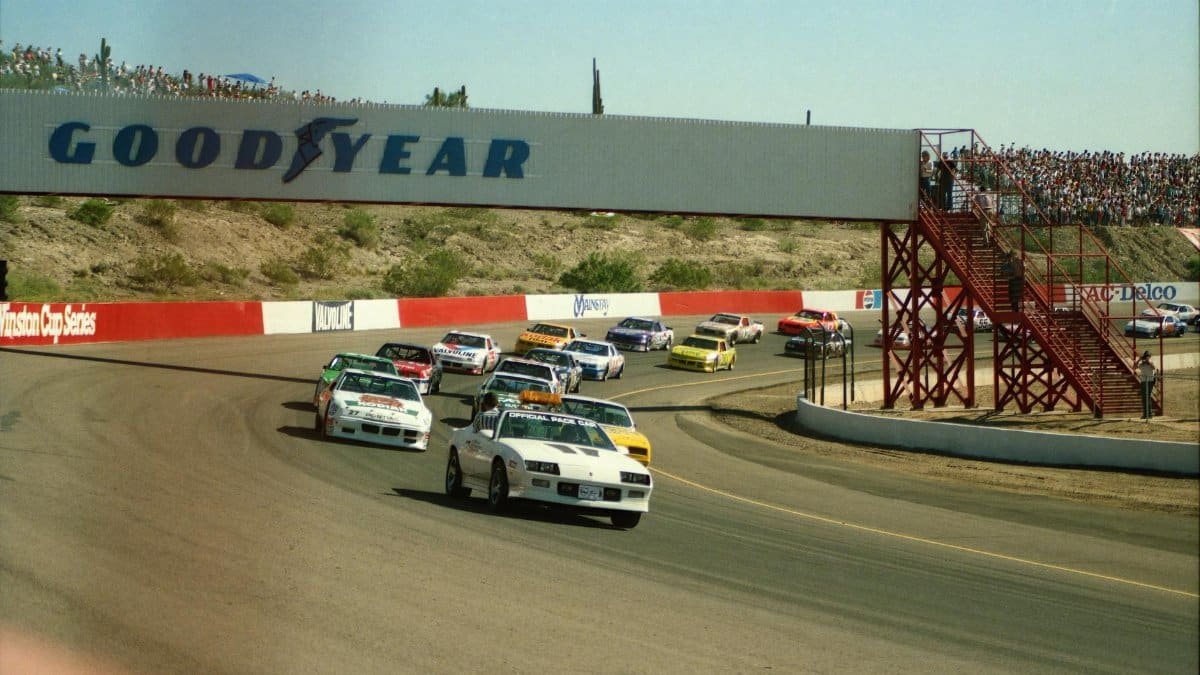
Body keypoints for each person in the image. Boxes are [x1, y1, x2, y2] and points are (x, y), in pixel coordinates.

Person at [1137, 351, 1157, 420]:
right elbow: (1134, 367)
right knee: (1144, 398)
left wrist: (1148, 362)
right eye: (1145, 357)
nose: (1146, 358)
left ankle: (1149, 414)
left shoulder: (1151, 362)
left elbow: (1154, 368)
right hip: (1143, 381)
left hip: (1150, 381)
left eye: (1148, 357)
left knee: (1147, 397)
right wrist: (1139, 360)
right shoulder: (1142, 364)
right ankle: (1145, 414)